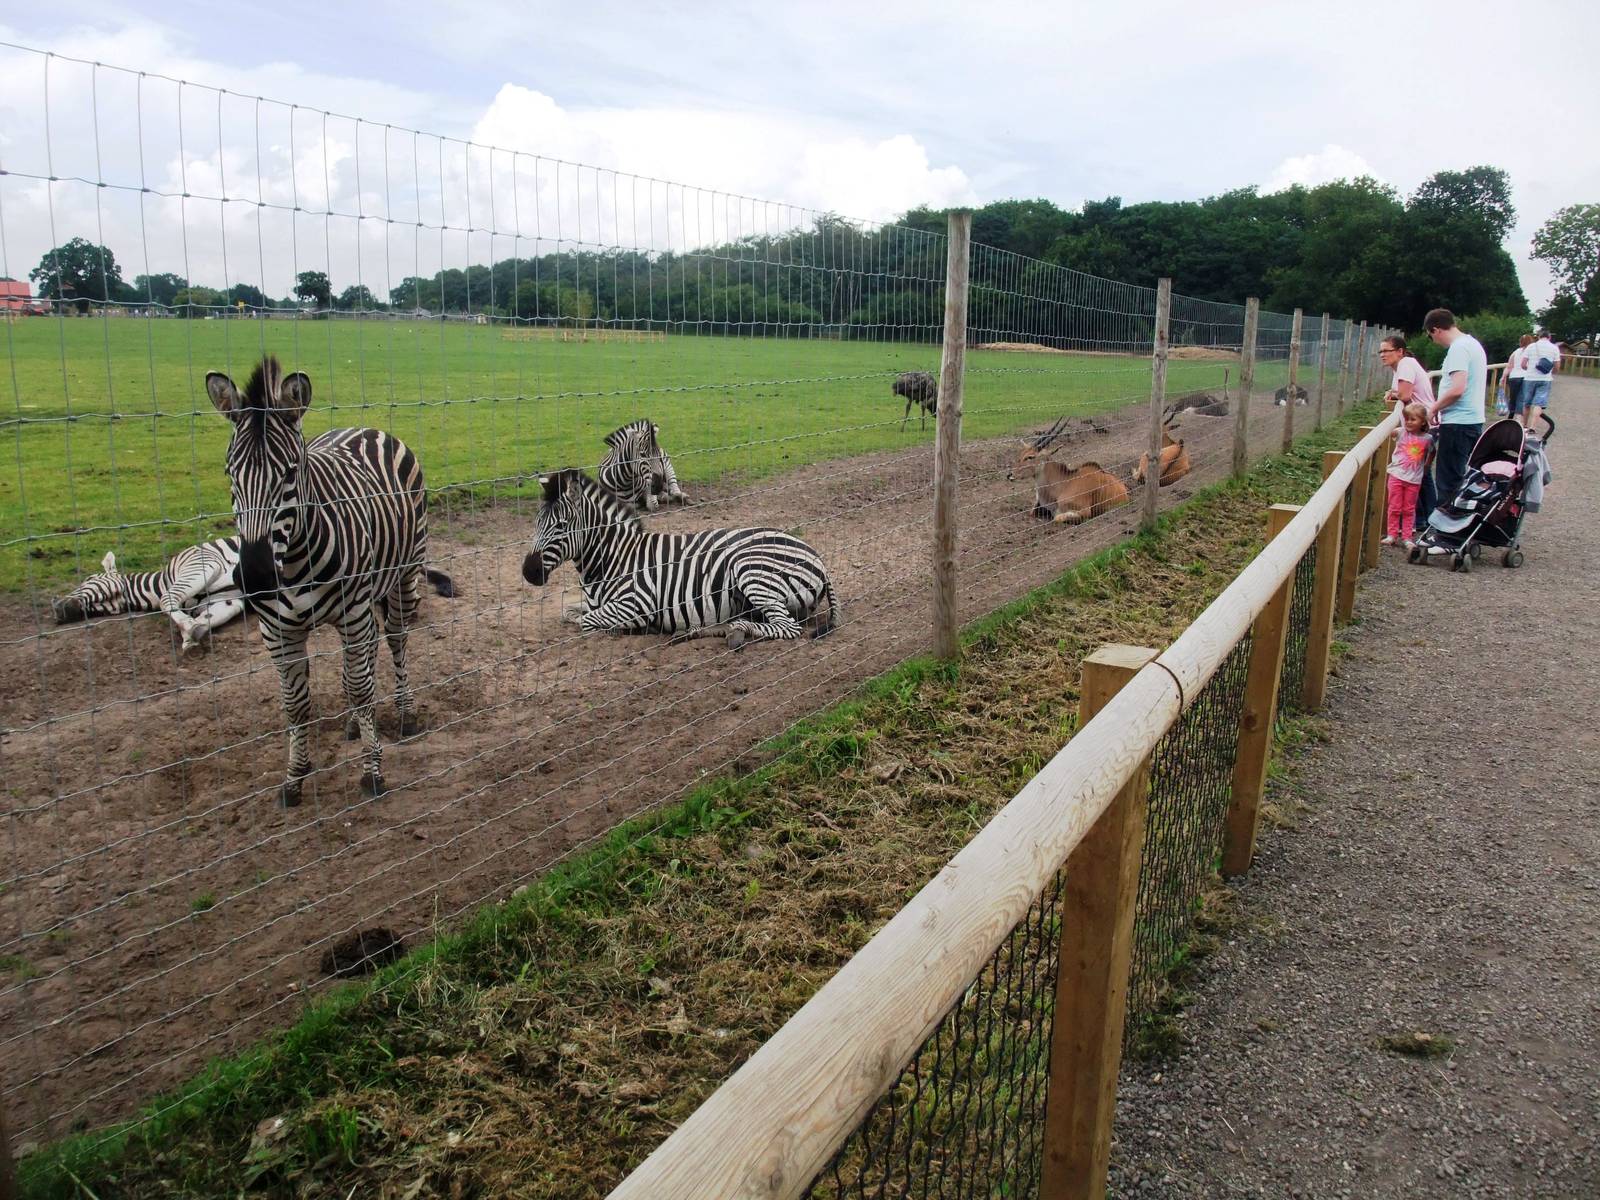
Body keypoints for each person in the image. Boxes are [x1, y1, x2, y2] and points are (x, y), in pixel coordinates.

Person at [1422, 309, 1486, 554]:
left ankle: (1448, 538)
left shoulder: (1459, 349)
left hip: (1459, 423)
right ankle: (1457, 532)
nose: (1434, 341)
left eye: (1431, 336)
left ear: (1436, 330)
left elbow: (1457, 388)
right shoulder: (1472, 344)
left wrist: (1433, 408)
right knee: (1461, 477)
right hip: (1469, 421)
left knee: (1449, 479)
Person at [1379, 334, 1438, 531]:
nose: (1382, 355)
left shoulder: (1405, 364)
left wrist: (1393, 393)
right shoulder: (1402, 367)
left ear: (1399, 351)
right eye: (1380, 351)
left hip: (1423, 427)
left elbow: (1404, 395)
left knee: (1418, 473)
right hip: (1418, 426)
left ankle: (1427, 519)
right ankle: (1426, 519)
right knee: (1419, 473)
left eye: (1386, 350)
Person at [1382, 402, 1433, 550]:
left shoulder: (1427, 439)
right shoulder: (1400, 432)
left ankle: (1407, 537)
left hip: (1414, 479)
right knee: (1394, 506)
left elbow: (1432, 451)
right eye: (1407, 419)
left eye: (1413, 419)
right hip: (1396, 475)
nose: (1409, 422)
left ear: (1422, 421)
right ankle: (1392, 534)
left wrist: (1427, 466)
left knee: (1409, 508)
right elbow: (1388, 431)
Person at [1519, 328, 1561, 430]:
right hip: (1545, 379)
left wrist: (1529, 369)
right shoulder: (1554, 348)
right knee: (1539, 404)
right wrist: (1551, 372)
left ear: (1538, 336)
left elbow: (1523, 364)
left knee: (1527, 403)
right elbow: (1557, 367)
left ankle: (1524, 426)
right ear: (1549, 337)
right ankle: (1532, 427)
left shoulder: (1531, 347)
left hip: (1529, 378)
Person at [1504, 333, 1533, 417]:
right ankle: (1519, 417)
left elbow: (1509, 366)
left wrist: (1503, 377)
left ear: (1520, 342)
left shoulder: (1516, 352)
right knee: (1521, 398)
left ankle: (1511, 414)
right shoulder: (1531, 352)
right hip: (1525, 377)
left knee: (1513, 397)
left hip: (1513, 377)